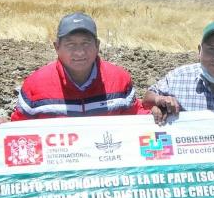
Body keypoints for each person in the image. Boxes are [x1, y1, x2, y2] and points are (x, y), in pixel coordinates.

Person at [10, 12, 146, 120]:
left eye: (86, 43)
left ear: (97, 46)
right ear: (57, 47)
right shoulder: (34, 85)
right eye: (70, 45)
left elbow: (135, 117)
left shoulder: (120, 79)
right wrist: (4, 128)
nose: (80, 52)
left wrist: (157, 115)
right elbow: (19, 129)